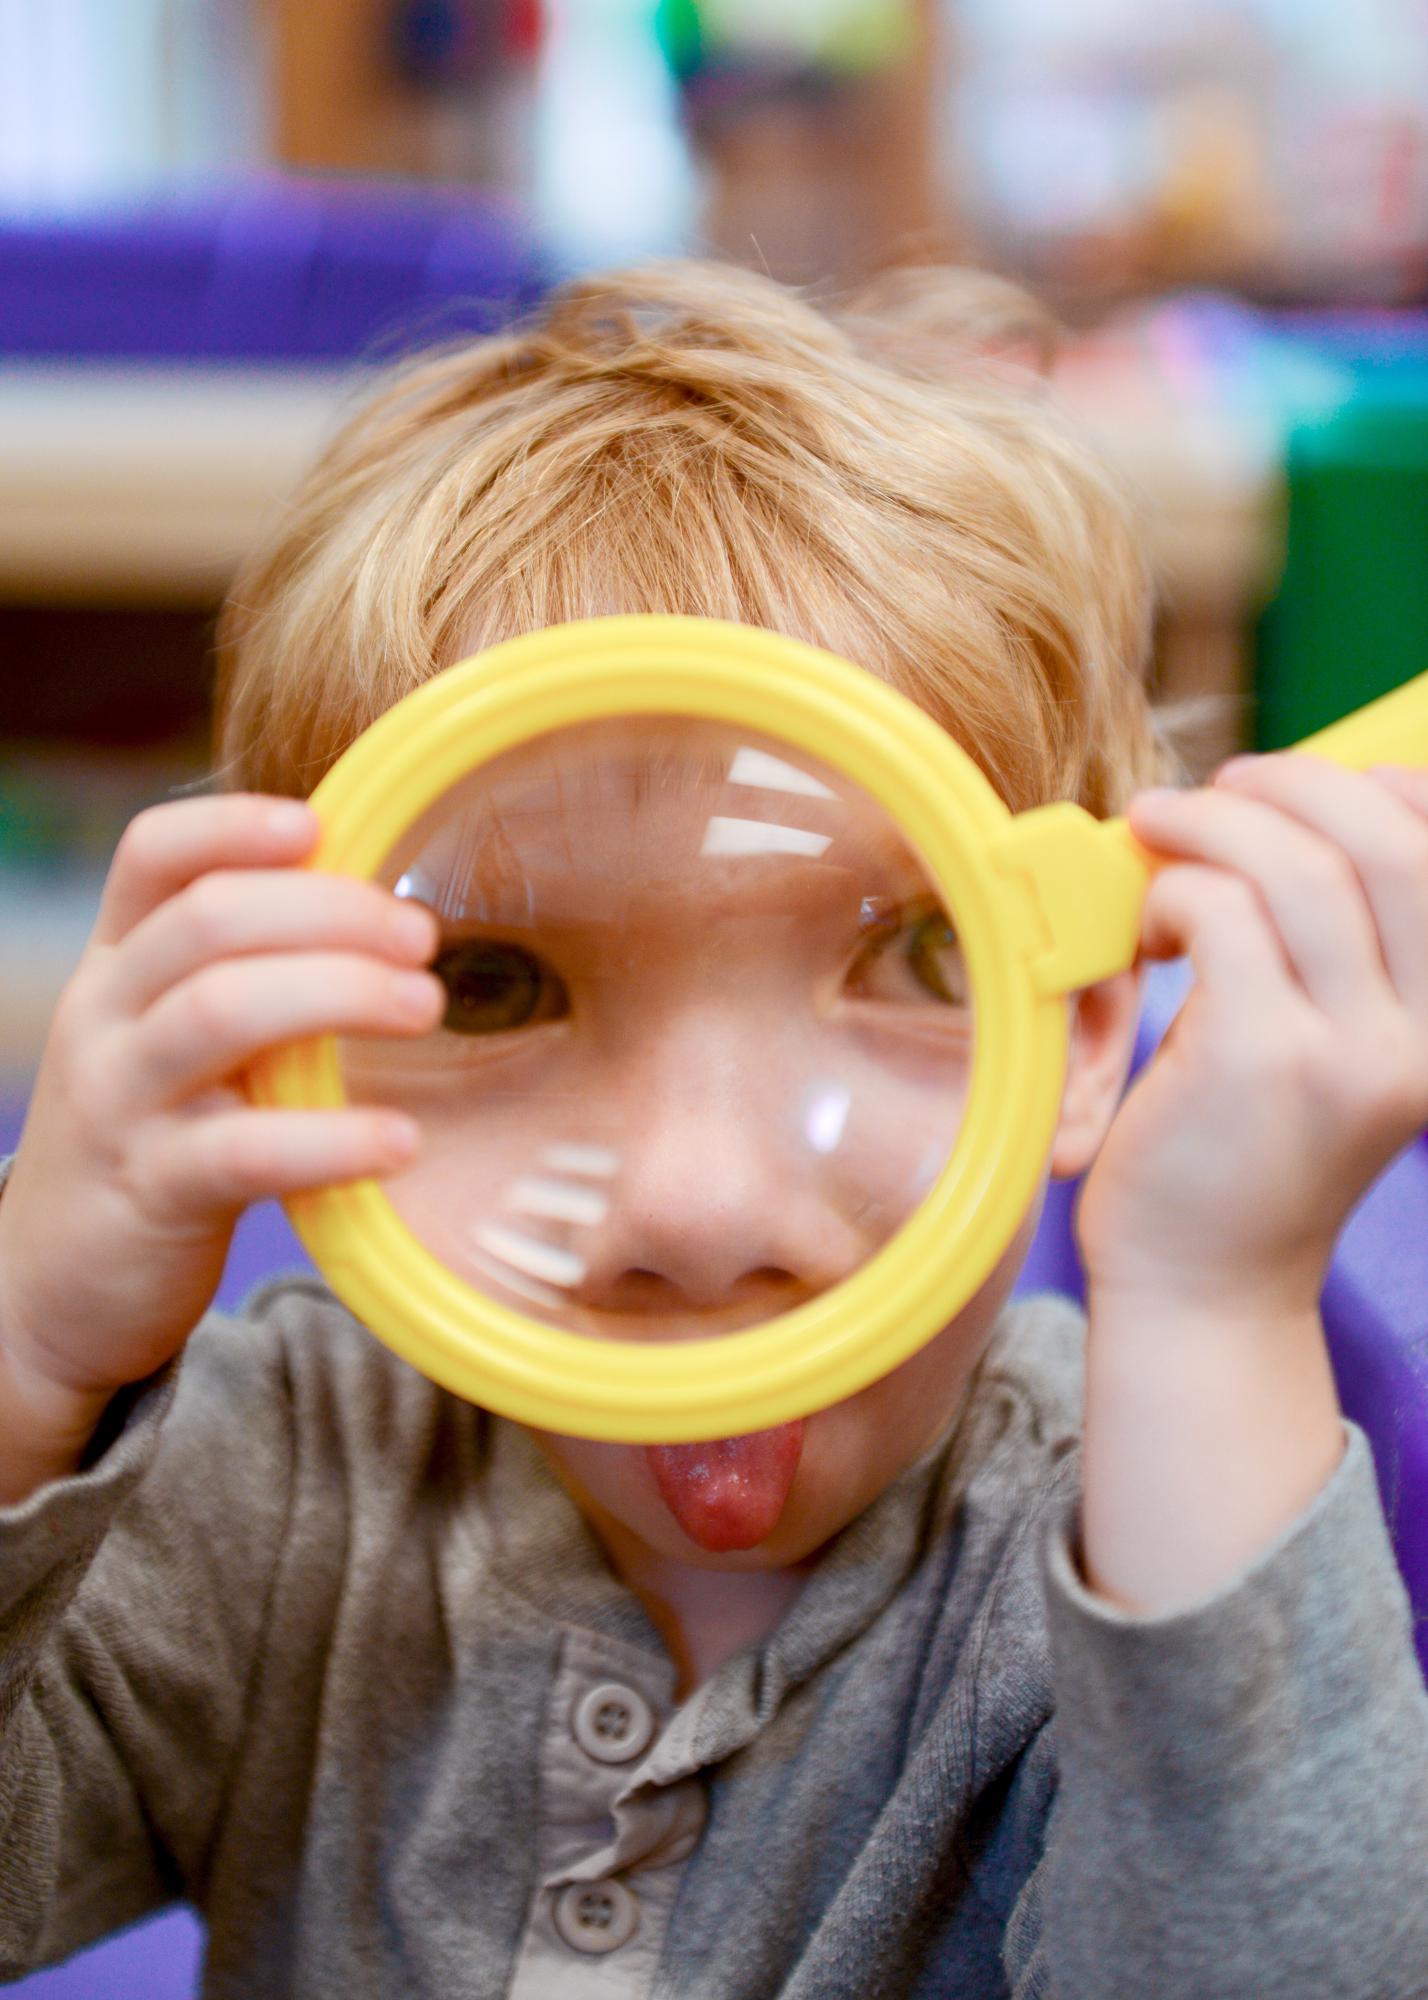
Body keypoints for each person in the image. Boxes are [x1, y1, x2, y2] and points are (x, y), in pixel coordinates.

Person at [2, 258, 1427, 1998]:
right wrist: (20, 1356)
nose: (693, 1206)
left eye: (906, 953)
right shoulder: (285, 1490)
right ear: (295, 1046)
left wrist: (1217, 1312)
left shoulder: (1127, 1529)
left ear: (1085, 1028)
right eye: (493, 986)